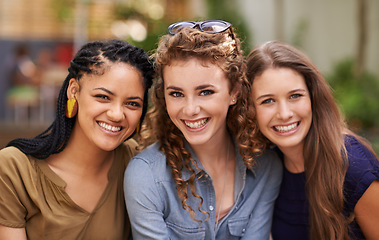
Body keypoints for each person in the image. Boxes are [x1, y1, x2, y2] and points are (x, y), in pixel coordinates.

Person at [124, 20, 282, 239]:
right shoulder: (146, 175)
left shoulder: (265, 167)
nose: (190, 110)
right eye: (176, 94)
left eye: (205, 92)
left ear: (234, 91)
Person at [0, 39, 154, 239]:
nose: (117, 114)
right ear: (74, 91)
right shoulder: (15, 170)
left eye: (132, 104)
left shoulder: (137, 163)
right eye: (103, 97)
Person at [246, 40, 379, 240]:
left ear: (313, 98)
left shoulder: (352, 166)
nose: (284, 114)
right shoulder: (268, 166)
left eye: (295, 96)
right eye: (268, 101)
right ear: (250, 110)